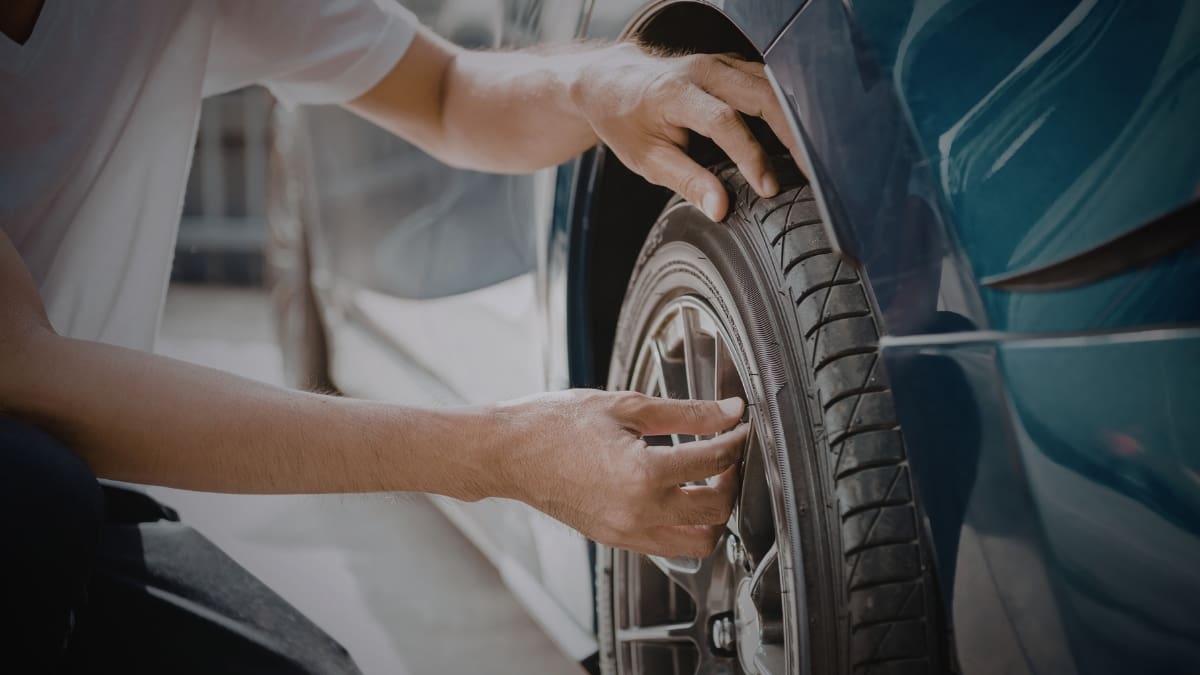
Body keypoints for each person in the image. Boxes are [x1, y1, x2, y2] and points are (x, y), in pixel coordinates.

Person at [0, 0, 796, 672]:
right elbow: (23, 371)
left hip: (71, 506)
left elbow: (444, 90)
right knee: (37, 488)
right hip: (31, 489)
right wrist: (501, 451)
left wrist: (597, 83)